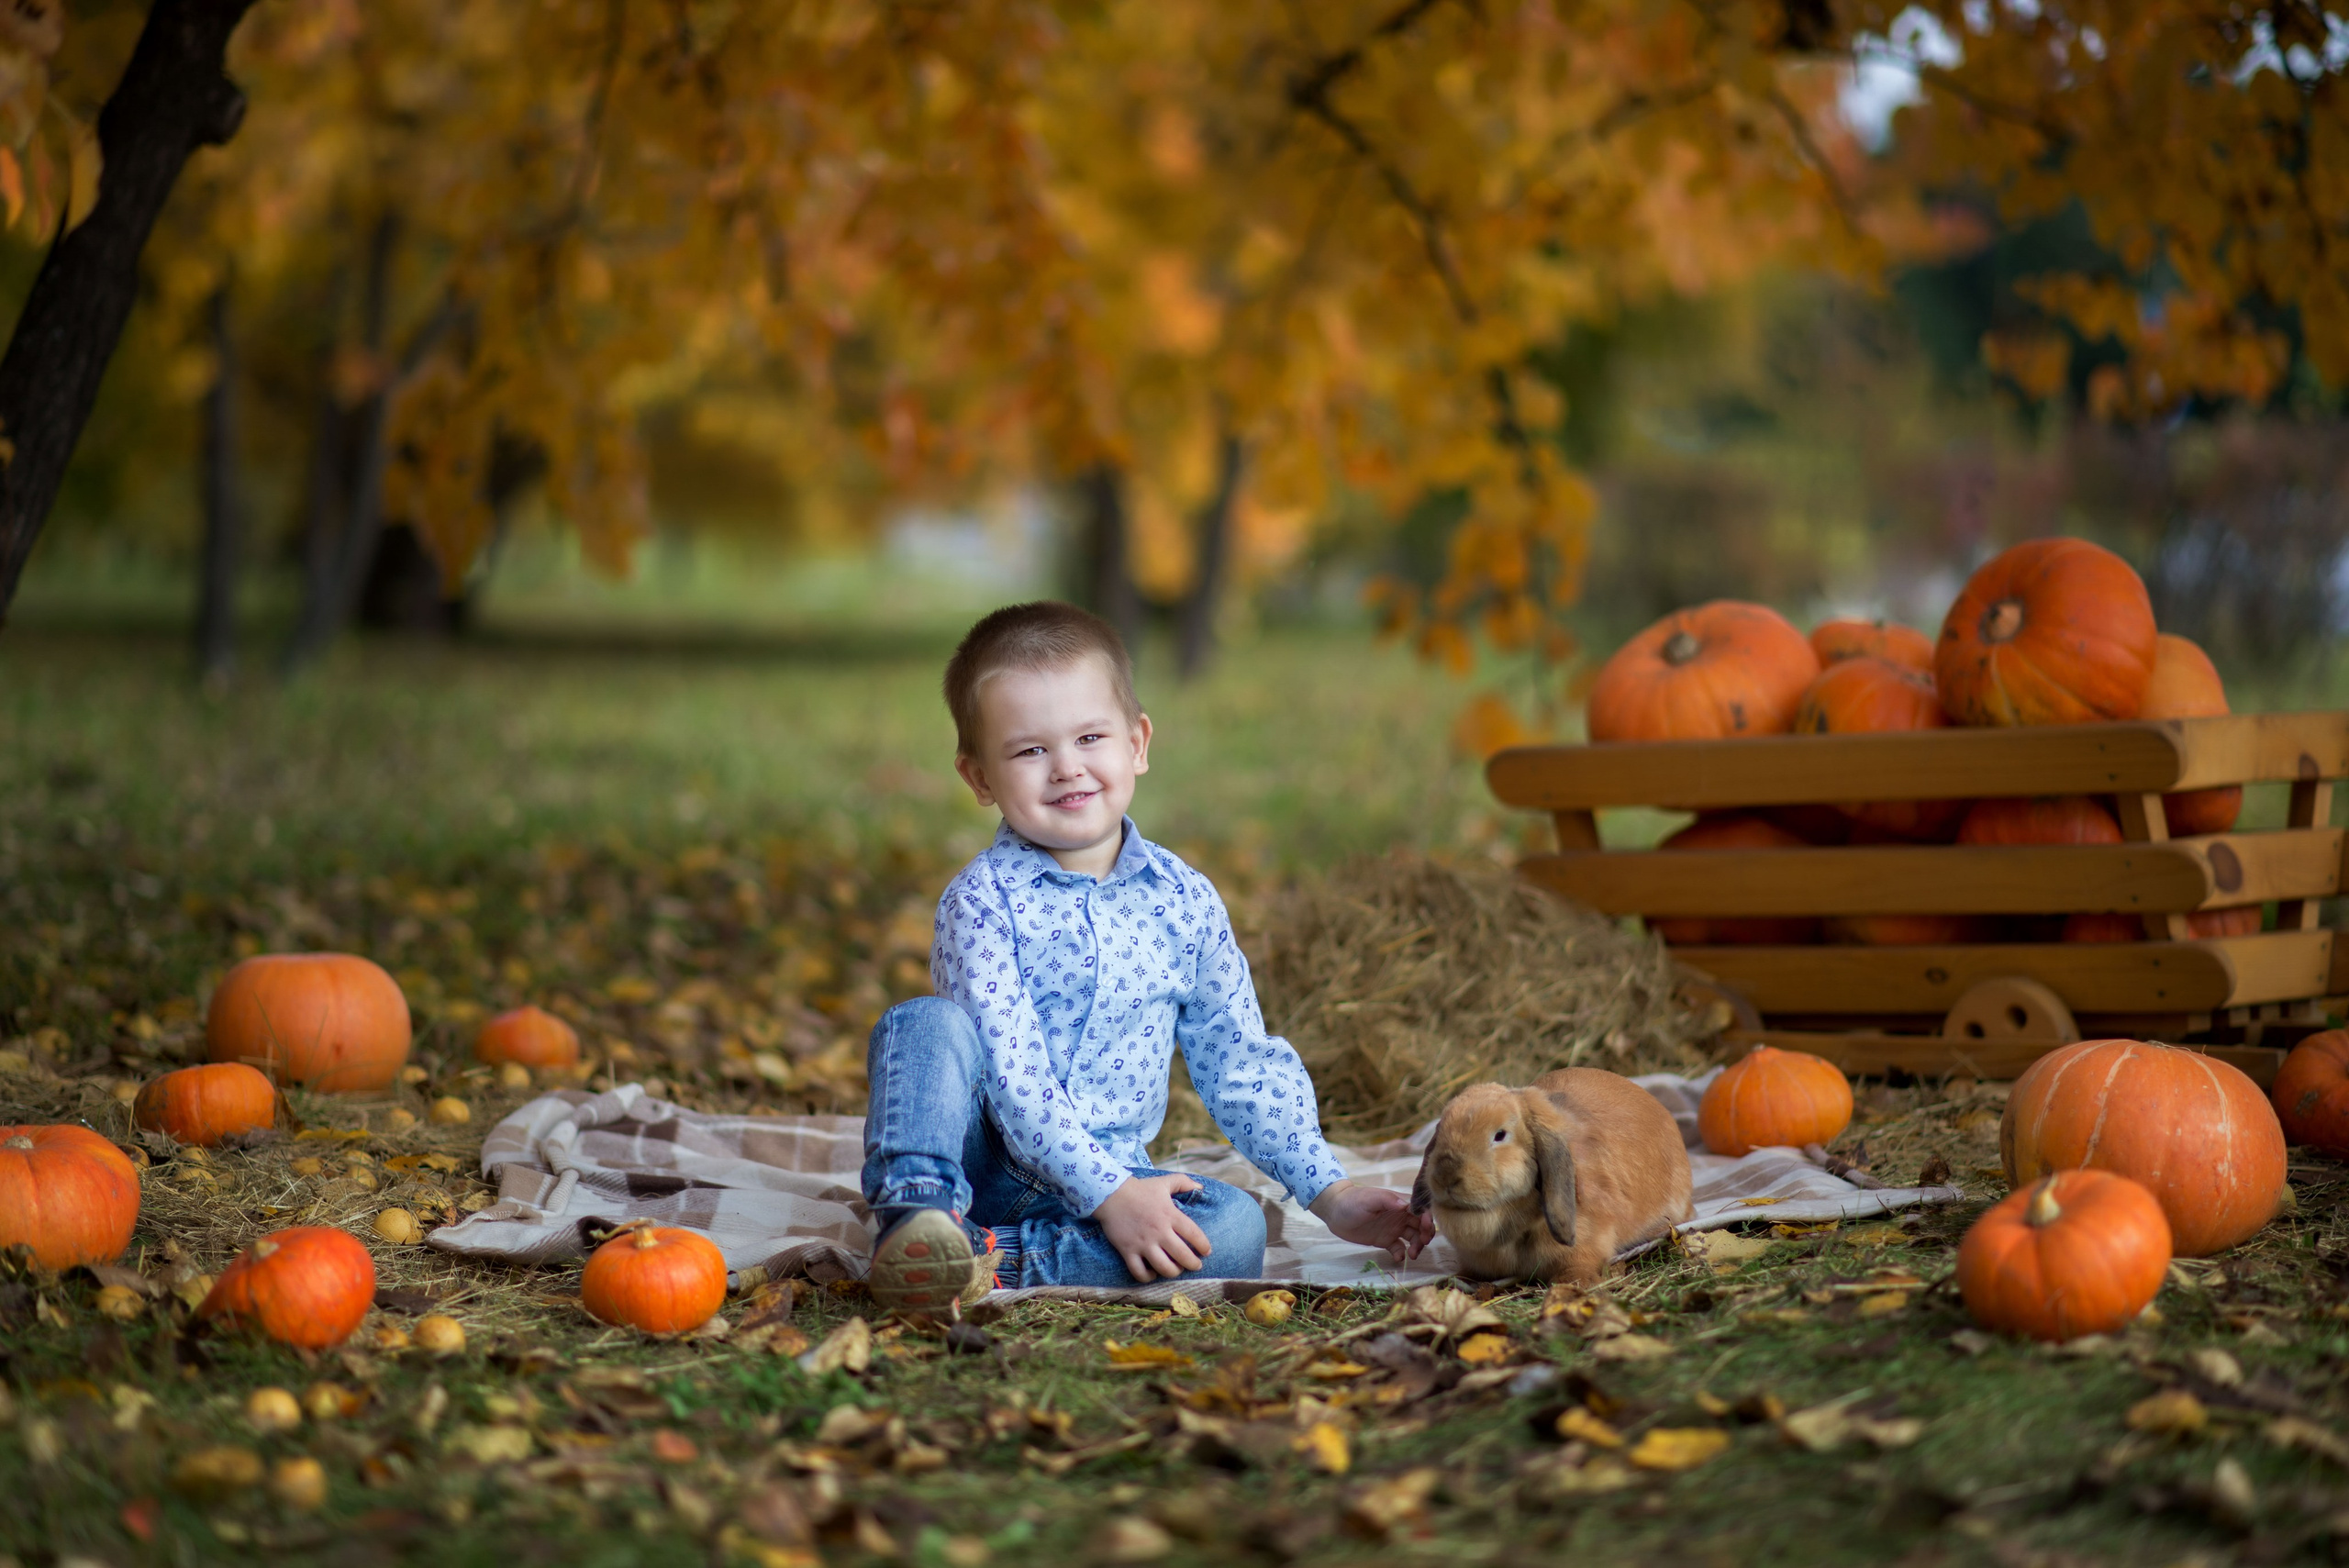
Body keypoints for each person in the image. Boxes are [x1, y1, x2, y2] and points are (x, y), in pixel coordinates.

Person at [861, 600, 1435, 1307]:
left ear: (1136, 742)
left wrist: (1331, 1190)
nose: (1066, 767)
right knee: (924, 1025)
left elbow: (1239, 1060)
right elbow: (1013, 1077)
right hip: (983, 1167)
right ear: (979, 777)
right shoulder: (980, 902)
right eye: (1029, 749)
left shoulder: (1183, 901)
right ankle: (916, 1219)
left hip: (1120, 1178)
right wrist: (1107, 1193)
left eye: (1090, 737)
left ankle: (976, 1263)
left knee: (1233, 1231)